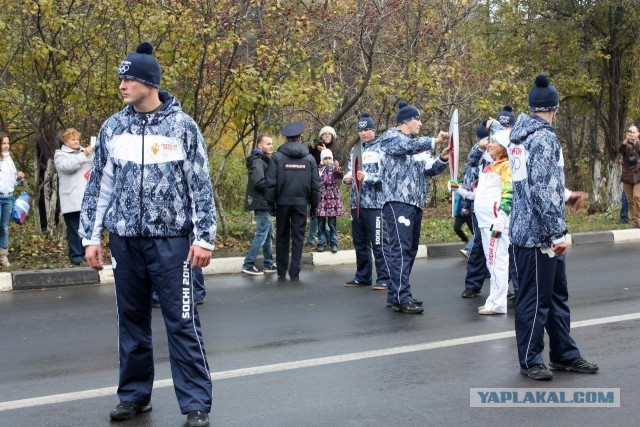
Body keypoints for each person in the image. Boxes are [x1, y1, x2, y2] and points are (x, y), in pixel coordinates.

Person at [79, 42, 215, 427]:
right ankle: (135, 396)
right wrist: (91, 237)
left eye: (130, 78)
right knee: (132, 321)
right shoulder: (112, 127)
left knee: (181, 321)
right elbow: (98, 189)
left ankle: (195, 404)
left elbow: (200, 186)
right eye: (121, 77)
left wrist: (204, 238)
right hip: (126, 241)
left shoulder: (182, 126)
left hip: (172, 241)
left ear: (149, 82)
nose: (122, 84)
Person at [508, 74, 598, 380]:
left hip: (531, 229)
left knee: (557, 295)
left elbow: (536, 183)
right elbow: (542, 190)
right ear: (553, 108)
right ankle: (531, 360)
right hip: (537, 236)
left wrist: (567, 194)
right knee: (535, 300)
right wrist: (557, 235)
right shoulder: (543, 138)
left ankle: (564, 354)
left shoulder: (519, 136)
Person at [378, 101, 449, 314]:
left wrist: (443, 157)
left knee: (409, 250)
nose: (420, 123)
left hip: (415, 203)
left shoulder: (416, 144)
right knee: (400, 249)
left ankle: (396, 294)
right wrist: (433, 141)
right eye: (417, 119)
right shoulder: (390, 137)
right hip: (397, 202)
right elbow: (405, 147)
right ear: (406, 121)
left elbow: (428, 169)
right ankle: (402, 296)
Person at [453, 130, 512, 314]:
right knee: (491, 262)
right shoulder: (488, 167)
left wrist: (501, 220)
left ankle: (498, 304)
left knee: (497, 261)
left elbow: (509, 194)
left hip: (496, 224)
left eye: (493, 142)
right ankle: (494, 300)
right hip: (484, 224)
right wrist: (458, 189)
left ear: (502, 147)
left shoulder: (506, 167)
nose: (489, 144)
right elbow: (477, 195)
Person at [265, 122, 320, 280]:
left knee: (282, 236)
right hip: (301, 203)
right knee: (298, 237)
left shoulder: (277, 157)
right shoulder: (309, 159)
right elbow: (315, 185)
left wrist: (270, 204)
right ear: (300, 138)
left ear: (286, 139)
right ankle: (294, 271)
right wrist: (314, 205)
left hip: (282, 203)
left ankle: (281, 271)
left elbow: (271, 183)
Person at [342, 113, 389, 290]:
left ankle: (384, 277)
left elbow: (386, 176)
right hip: (357, 203)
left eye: (366, 129)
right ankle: (362, 276)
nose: (363, 133)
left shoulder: (382, 148)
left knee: (379, 241)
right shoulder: (356, 149)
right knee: (360, 243)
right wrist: (347, 179)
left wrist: (367, 177)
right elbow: (349, 171)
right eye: (360, 130)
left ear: (373, 130)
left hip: (375, 204)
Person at [54, 128, 94, 265]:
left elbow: (93, 167)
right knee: (74, 228)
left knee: (86, 227)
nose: (76, 141)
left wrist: (91, 154)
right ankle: (75, 255)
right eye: (73, 139)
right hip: (71, 198)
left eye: (77, 139)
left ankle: (84, 253)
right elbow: (67, 166)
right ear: (65, 141)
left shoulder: (83, 152)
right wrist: (83, 156)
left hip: (86, 197)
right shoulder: (60, 155)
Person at [460, 123, 491, 297]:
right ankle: (472, 284)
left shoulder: (511, 144)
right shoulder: (481, 148)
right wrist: (467, 202)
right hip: (483, 207)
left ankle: (516, 289)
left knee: (508, 248)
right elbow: (471, 164)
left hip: (505, 205)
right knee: (479, 245)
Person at [241, 135, 277, 275]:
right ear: (260, 146)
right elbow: (258, 182)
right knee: (262, 234)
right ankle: (248, 264)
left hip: (265, 202)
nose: (271, 146)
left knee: (269, 234)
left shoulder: (263, 160)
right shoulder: (257, 161)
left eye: (272, 143)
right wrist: (275, 185)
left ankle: (268, 263)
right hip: (261, 202)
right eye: (268, 144)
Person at [306, 126, 342, 247]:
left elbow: (336, 170)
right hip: (318, 189)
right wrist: (315, 148)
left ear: (333, 137)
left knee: (330, 220)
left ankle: (329, 241)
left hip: (331, 191)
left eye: (329, 134)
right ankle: (315, 240)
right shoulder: (315, 150)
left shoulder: (337, 150)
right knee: (317, 216)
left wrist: (325, 152)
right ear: (321, 136)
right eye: (324, 134)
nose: (327, 136)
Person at [0, 131, 25, 268]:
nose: (6, 146)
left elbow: (11, 181)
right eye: (3, 143)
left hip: (8, 197)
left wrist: (19, 177)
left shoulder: (9, 159)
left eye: (8, 143)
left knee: (4, 227)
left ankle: (3, 256)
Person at [316, 149, 344, 253]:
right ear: (322, 160)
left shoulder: (334, 169)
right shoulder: (318, 170)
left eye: (329, 158)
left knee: (332, 223)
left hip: (332, 199)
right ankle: (321, 243)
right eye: (325, 158)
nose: (327, 160)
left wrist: (337, 168)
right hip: (321, 199)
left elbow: (340, 175)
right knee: (321, 223)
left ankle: (334, 244)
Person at [618, 124, 640, 228]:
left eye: (633, 132)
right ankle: (635, 220)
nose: (631, 134)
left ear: (638, 134)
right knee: (630, 200)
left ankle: (639, 217)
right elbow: (620, 150)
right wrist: (626, 140)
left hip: (639, 175)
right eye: (629, 132)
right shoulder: (626, 145)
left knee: (637, 196)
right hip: (627, 175)